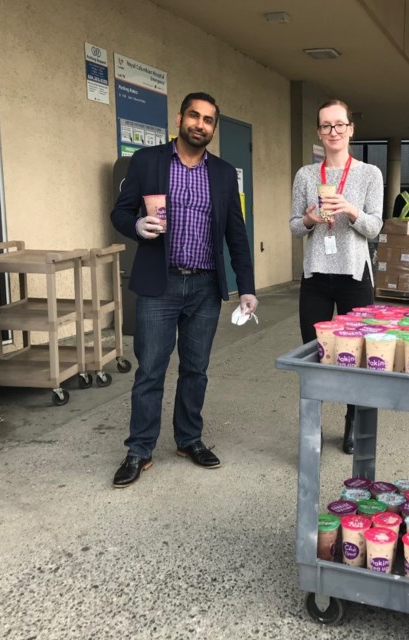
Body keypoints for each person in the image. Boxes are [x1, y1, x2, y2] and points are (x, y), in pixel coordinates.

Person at [109, 91, 258, 487]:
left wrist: (246, 287)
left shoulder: (225, 174)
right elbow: (120, 212)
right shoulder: (147, 162)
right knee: (150, 371)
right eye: (195, 116)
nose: (200, 125)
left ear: (213, 128)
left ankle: (189, 439)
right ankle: (139, 449)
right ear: (180, 119)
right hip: (160, 284)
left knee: (196, 370)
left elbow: (236, 236)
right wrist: (137, 227)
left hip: (206, 286)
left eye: (209, 120)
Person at [290, 99, 384, 454]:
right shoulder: (305, 175)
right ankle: (312, 425)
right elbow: (295, 227)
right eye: (326, 126)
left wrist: (351, 210)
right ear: (319, 132)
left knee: (355, 355)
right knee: (314, 355)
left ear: (350, 129)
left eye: (339, 125)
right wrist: (311, 220)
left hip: (354, 275)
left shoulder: (369, 174)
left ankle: (352, 420)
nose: (333, 131)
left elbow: (375, 228)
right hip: (315, 275)